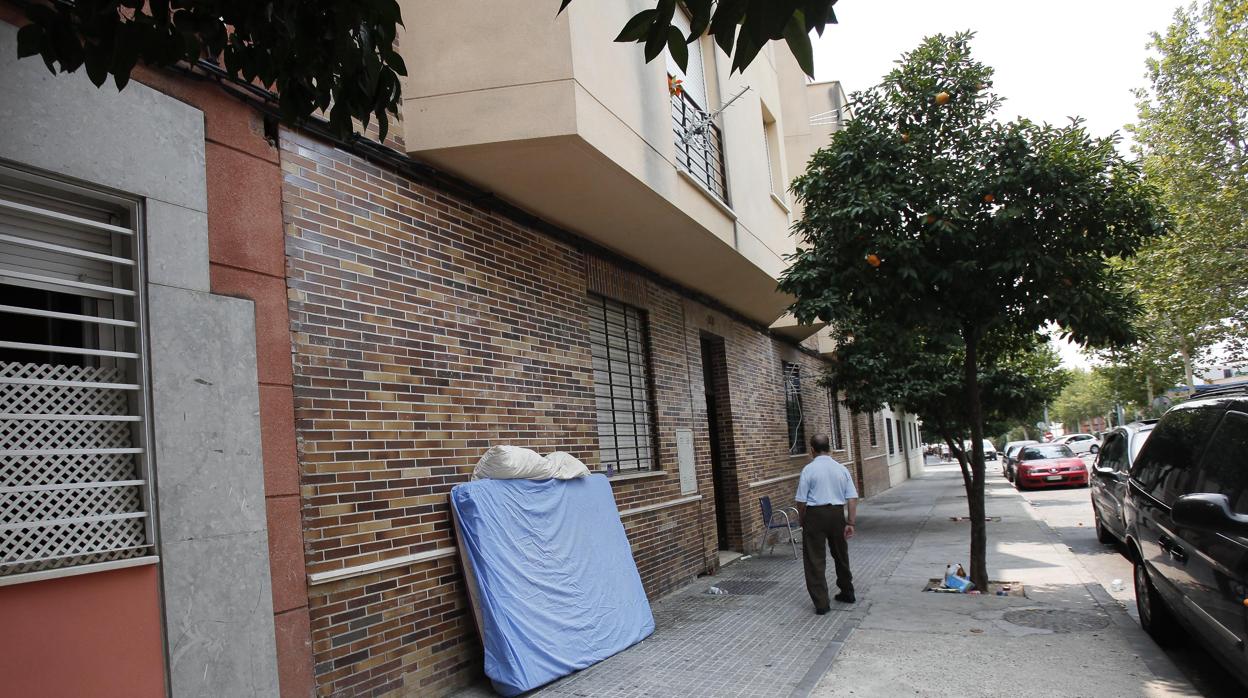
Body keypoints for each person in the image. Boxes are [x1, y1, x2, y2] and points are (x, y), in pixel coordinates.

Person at [795, 433, 858, 614]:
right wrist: (850, 522)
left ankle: (822, 603)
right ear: (829, 448)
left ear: (812, 450)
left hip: (815, 514)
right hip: (837, 513)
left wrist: (802, 518)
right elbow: (852, 498)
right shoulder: (841, 469)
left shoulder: (809, 469)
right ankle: (847, 592)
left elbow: (801, 500)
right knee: (840, 554)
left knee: (815, 558)